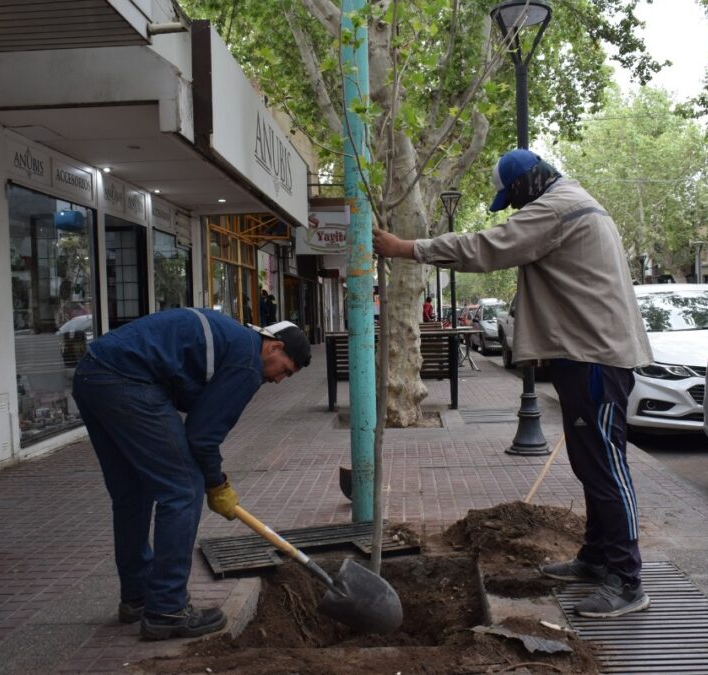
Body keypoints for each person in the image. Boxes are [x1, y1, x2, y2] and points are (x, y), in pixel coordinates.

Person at [373, 148, 654, 618]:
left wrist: (407, 249)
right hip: (585, 353)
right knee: (591, 465)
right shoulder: (569, 201)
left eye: (514, 201)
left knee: (606, 465)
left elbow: (488, 246)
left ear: (526, 184)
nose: (516, 210)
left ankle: (627, 580)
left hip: (594, 359)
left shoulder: (556, 207)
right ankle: (597, 557)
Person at [71, 310, 311, 639]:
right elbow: (202, 435)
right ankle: (167, 609)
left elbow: (198, 418)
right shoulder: (246, 361)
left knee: (133, 493)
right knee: (183, 488)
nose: (277, 380)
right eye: (285, 371)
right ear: (274, 347)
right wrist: (216, 483)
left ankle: (139, 597)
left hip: (92, 374)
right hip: (128, 381)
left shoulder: (233, 339)